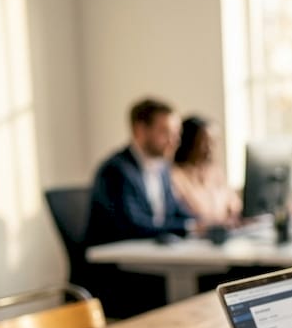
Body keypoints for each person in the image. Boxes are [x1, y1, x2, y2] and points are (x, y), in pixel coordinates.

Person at [86, 97, 192, 247]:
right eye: (165, 132)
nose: (174, 141)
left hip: (148, 253)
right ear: (139, 131)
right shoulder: (116, 170)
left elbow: (176, 210)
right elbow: (133, 225)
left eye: (176, 133)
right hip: (119, 261)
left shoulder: (162, 168)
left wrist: (204, 224)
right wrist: (187, 227)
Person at [171, 115, 249, 232]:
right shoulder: (174, 175)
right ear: (188, 142)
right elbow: (192, 215)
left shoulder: (216, 172)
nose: (210, 148)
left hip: (223, 234)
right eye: (204, 142)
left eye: (214, 142)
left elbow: (235, 207)